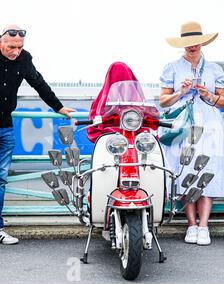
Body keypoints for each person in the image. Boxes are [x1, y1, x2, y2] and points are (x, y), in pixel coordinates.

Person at [159, 21, 224, 246]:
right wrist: (180, 92)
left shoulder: (214, 70)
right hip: (182, 126)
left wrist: (207, 95)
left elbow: (223, 102)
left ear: (202, 42)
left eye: (195, 42)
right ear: (182, 44)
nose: (192, 46)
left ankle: (204, 225)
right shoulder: (171, 67)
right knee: (184, 170)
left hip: (209, 125)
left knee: (207, 169)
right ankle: (191, 224)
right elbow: (162, 101)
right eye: (187, 43)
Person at [0, 25, 74, 245]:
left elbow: (38, 83)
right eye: (11, 47)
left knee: (0, 179)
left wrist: (58, 107)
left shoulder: (24, 59)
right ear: (0, 42)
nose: (15, 51)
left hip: (5, 127)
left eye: (19, 47)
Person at [87, 62, 139, 143]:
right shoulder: (138, 101)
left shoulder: (99, 102)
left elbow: (92, 131)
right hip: (134, 143)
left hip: (109, 144)